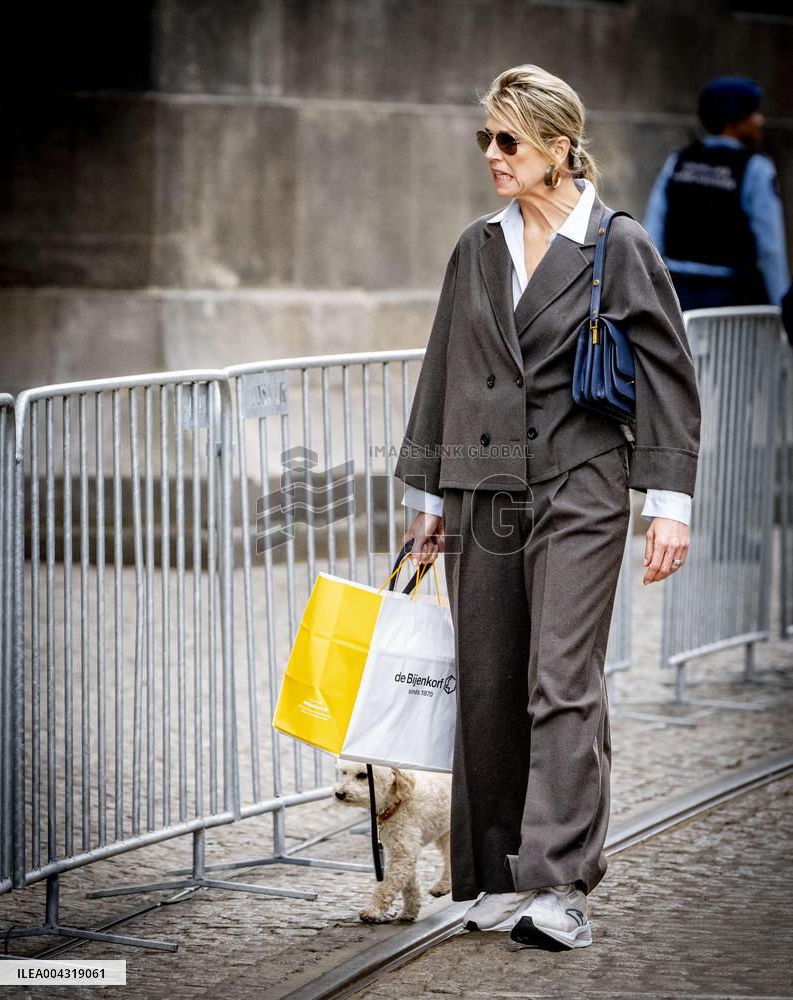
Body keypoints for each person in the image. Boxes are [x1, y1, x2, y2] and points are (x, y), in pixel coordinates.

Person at [393, 64, 701, 951]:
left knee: (560, 681)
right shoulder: (476, 246)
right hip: (482, 490)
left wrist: (668, 501)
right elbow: (444, 363)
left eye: (508, 141)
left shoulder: (616, 244)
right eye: (485, 139)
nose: (491, 156)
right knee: (487, 681)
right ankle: (493, 875)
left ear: (558, 149)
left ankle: (558, 883)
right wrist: (428, 494)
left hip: (582, 482)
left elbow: (668, 376)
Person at [644, 75, 789, 312]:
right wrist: (783, 307)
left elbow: (651, 234)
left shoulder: (679, 161)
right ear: (735, 121)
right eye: (753, 113)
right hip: (732, 299)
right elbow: (770, 249)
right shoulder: (756, 168)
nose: (760, 120)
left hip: (677, 294)